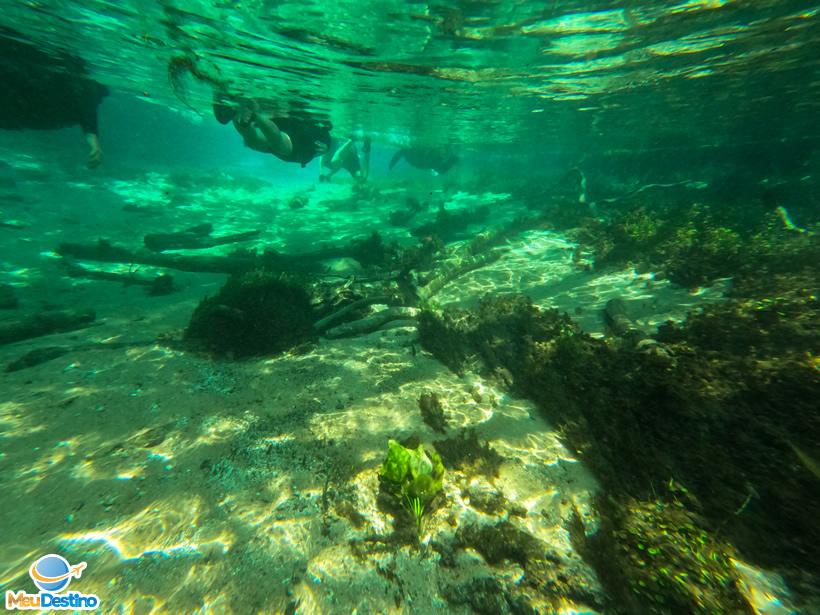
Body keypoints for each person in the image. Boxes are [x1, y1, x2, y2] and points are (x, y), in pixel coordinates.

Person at [0, 27, 109, 168]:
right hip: (25, 95)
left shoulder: (82, 88)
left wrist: (94, 142)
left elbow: (85, 108)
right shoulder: (84, 87)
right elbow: (85, 105)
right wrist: (94, 142)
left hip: (23, 98)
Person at [213, 94, 331, 168]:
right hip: (304, 140)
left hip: (288, 125)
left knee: (253, 142)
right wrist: (326, 148)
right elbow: (329, 140)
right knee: (281, 147)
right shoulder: (320, 128)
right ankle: (252, 115)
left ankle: (234, 112)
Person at [389, 145, 458, 175]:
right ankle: (454, 158)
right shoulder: (410, 154)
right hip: (427, 161)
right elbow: (401, 152)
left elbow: (400, 152)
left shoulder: (410, 154)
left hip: (427, 161)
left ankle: (454, 158)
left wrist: (392, 164)